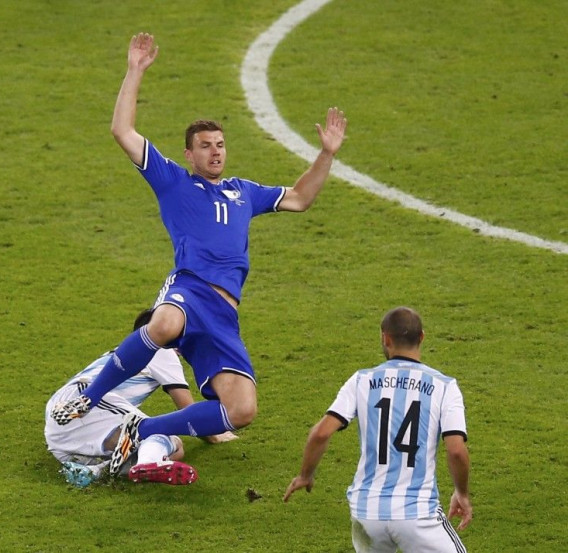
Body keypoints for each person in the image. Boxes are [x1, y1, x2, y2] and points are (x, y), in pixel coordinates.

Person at [51, 32, 347, 476]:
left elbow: (301, 198)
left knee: (242, 409)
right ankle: (88, 398)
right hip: (189, 288)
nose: (215, 151)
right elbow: (122, 131)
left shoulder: (245, 192)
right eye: (206, 145)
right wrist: (134, 71)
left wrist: (326, 154)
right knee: (164, 322)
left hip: (224, 315)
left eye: (221, 144)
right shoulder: (174, 181)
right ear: (189, 154)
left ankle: (147, 429)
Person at [284, 307, 472, 553]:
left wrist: (305, 475)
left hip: (366, 512)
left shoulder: (361, 380)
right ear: (422, 337)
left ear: (386, 338)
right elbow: (456, 451)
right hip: (417, 513)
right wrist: (461, 492)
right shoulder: (444, 386)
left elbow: (321, 433)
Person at [46, 309, 236, 487]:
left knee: (174, 446)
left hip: (61, 428)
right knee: (155, 434)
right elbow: (186, 408)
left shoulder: (125, 351)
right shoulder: (162, 351)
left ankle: (94, 471)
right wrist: (214, 436)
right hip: (85, 405)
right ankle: (147, 462)